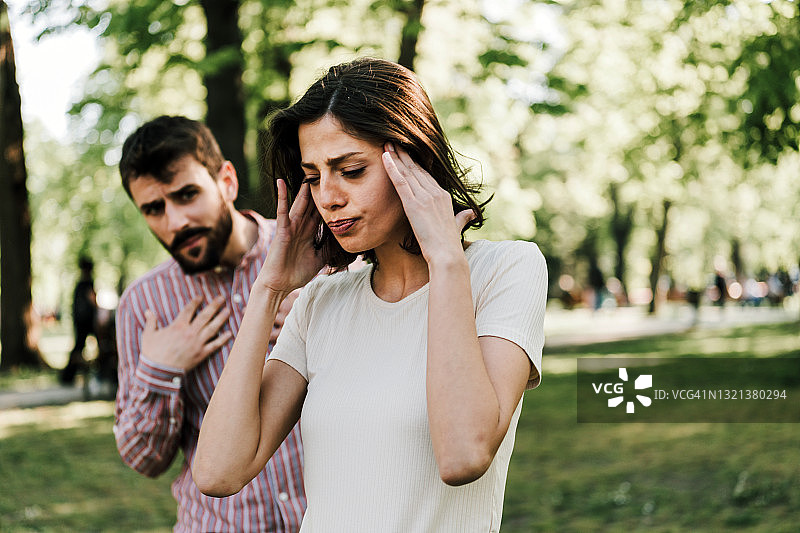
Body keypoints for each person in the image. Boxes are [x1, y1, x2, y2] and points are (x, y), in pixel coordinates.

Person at [193, 58, 547, 531]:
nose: (328, 197)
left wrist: (445, 261)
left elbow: (463, 455)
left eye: (352, 170)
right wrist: (269, 290)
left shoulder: (505, 270)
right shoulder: (321, 302)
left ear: (414, 162)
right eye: (314, 176)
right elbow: (219, 471)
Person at [114, 116, 305, 532]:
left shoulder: (310, 255)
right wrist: (160, 371)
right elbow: (144, 459)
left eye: (187, 195)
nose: (174, 222)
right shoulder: (144, 306)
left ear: (227, 182)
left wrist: (323, 324)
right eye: (154, 208)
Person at [59, 256, 98, 385]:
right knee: (82, 347)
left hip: (80, 320)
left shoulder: (80, 284)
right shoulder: (87, 283)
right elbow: (92, 300)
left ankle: (68, 375)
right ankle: (68, 375)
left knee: (78, 347)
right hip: (86, 321)